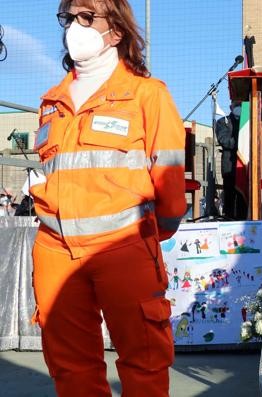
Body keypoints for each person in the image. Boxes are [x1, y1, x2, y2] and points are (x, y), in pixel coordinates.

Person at [32, 1, 186, 395]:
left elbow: (169, 185)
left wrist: (147, 237)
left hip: (125, 247)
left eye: (87, 17)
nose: (74, 27)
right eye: (69, 18)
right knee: (70, 368)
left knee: (144, 362)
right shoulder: (51, 102)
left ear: (116, 31)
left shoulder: (147, 95)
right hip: (55, 252)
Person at [215, 99, 246, 220]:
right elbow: (224, 141)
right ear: (230, 107)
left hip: (244, 165)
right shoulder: (223, 122)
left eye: (241, 105)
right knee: (229, 195)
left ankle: (243, 219)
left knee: (242, 197)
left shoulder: (247, 123)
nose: (238, 107)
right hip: (229, 165)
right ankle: (229, 218)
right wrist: (242, 141)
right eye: (236, 104)